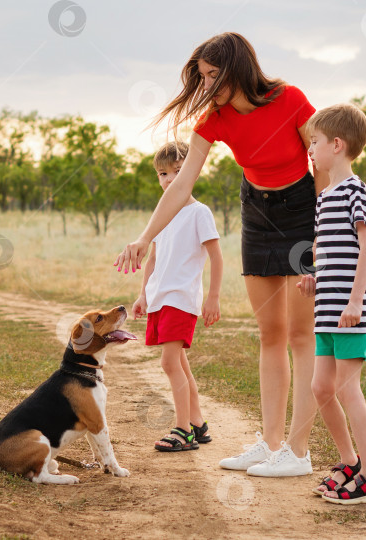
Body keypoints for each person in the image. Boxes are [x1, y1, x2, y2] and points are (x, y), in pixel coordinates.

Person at [115, 32, 325, 476]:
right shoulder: (216, 119)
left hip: (303, 211)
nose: (207, 84)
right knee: (270, 334)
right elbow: (183, 184)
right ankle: (270, 444)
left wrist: (324, 235)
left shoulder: (290, 99)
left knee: (300, 335)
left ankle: (298, 451)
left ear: (238, 67)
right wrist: (144, 237)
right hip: (257, 212)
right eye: (203, 77)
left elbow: (321, 168)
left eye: (214, 74)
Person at [298, 102, 366, 504]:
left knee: (348, 390)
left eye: (314, 142)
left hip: (352, 312)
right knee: (321, 388)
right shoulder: (325, 196)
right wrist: (316, 275)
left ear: (336, 145)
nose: (310, 150)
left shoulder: (356, 190)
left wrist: (355, 300)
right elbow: (335, 250)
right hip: (327, 312)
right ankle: (350, 463)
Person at [131, 141, 222, 452]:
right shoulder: (163, 213)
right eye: (163, 173)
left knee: (169, 362)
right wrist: (143, 294)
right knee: (179, 362)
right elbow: (154, 258)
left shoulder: (199, 212)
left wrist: (213, 297)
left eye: (178, 172)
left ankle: (182, 429)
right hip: (160, 297)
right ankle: (197, 422)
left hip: (182, 298)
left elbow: (217, 257)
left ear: (193, 173)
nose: (169, 179)